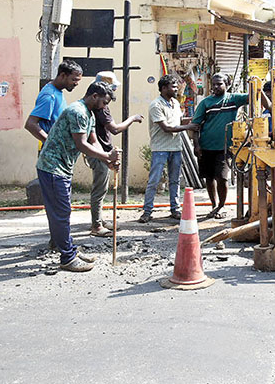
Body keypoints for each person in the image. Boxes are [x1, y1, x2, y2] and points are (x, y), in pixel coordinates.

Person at [36, 82, 120, 272]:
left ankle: (66, 248)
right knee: (62, 212)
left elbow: (93, 141)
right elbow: (81, 145)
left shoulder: (89, 113)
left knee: (61, 211)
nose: (105, 107)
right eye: (104, 102)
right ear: (94, 96)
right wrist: (108, 156)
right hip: (52, 166)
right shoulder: (78, 111)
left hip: (62, 168)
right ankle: (67, 257)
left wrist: (107, 162)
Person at [192, 73, 269, 219]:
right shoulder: (205, 103)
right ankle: (214, 205)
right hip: (206, 146)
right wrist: (196, 145)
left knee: (222, 177)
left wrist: (258, 87)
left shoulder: (234, 99)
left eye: (219, 84)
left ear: (227, 84)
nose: (215, 87)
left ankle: (221, 205)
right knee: (209, 178)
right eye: (213, 84)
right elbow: (195, 125)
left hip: (225, 147)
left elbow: (256, 97)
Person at [86, 72, 143, 237]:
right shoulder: (100, 107)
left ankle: (99, 220)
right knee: (100, 188)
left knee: (101, 188)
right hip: (98, 151)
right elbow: (115, 129)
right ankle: (96, 225)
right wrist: (132, 118)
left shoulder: (98, 104)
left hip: (101, 150)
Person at [140, 75, 197, 224]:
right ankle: (147, 211)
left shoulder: (176, 104)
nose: (176, 89)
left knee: (175, 180)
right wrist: (189, 126)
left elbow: (178, 122)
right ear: (164, 88)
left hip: (175, 147)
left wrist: (195, 119)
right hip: (160, 148)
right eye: (173, 86)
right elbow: (167, 128)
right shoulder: (156, 105)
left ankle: (175, 209)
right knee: (154, 180)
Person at [24, 60, 83, 144]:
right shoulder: (49, 95)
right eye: (74, 80)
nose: (76, 84)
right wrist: (52, 144)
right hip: (52, 154)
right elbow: (30, 124)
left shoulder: (57, 92)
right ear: (63, 75)